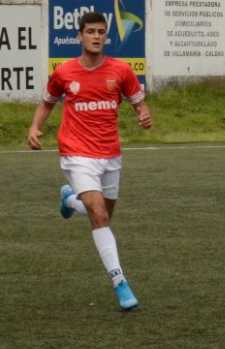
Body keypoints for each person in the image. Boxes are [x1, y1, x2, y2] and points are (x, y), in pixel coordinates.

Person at [28, 12, 151, 311]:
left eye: (101, 32)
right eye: (91, 31)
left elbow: (138, 102)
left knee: (104, 214)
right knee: (98, 215)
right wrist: (34, 127)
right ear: (79, 36)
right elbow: (47, 102)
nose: (96, 36)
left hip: (110, 154)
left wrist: (143, 114)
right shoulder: (65, 72)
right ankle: (120, 283)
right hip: (76, 152)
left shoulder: (121, 71)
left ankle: (70, 201)